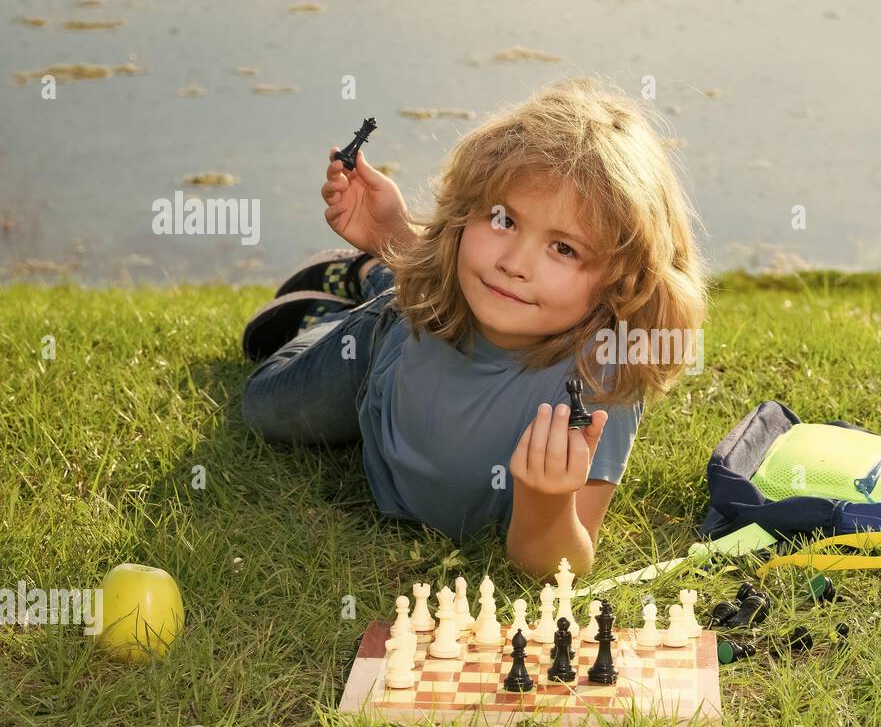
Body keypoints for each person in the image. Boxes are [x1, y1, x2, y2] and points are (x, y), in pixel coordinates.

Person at [240, 77, 709, 577]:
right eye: (504, 220)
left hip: (427, 310)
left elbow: (561, 568)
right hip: (388, 342)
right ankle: (365, 275)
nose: (514, 263)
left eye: (564, 248)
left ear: (622, 280)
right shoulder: (460, 287)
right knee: (263, 408)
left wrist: (547, 503)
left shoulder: (602, 378)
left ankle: (367, 274)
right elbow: (451, 266)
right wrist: (393, 233)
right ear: (465, 214)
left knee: (434, 282)